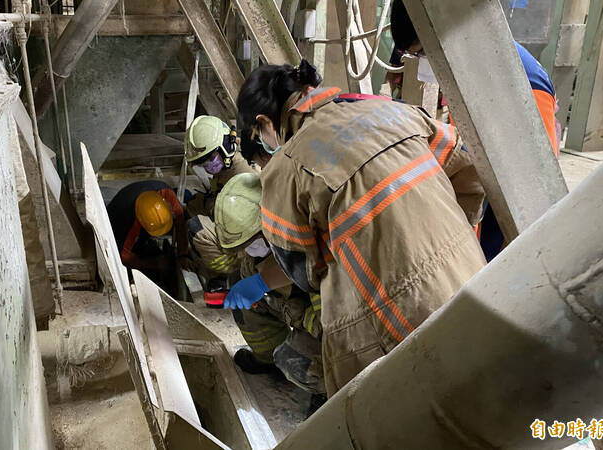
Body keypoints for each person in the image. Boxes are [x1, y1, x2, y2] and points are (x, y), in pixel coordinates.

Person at [236, 60, 486, 396]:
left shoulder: (286, 168)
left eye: (260, 151)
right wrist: (443, 236)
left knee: (372, 397)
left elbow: (305, 273)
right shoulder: (391, 111)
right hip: (479, 290)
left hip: (402, 329)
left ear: (263, 124)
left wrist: (263, 280)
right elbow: (471, 175)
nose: (266, 161)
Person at [390, 0, 559, 261]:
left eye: (423, 52)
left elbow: (537, 198)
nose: (424, 61)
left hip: (511, 221)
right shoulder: (467, 68)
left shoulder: (525, 84)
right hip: (485, 197)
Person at [190, 173, 326, 401]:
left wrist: (291, 311)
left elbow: (333, 329)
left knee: (293, 360)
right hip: (299, 307)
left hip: (328, 330)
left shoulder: (314, 256)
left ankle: (328, 392)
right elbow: (258, 270)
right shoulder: (268, 247)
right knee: (241, 287)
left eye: (250, 244)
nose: (246, 252)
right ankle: (266, 360)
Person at [105, 180, 192, 295]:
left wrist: (183, 254)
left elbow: (180, 222)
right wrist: (155, 264)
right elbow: (124, 257)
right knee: (126, 259)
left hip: (140, 198)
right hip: (119, 217)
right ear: (140, 221)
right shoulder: (127, 221)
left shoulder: (167, 193)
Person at [183, 115, 254, 218]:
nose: (207, 166)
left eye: (209, 159)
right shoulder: (225, 168)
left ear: (225, 146)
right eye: (202, 163)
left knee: (197, 227)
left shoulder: (243, 175)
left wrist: (210, 206)